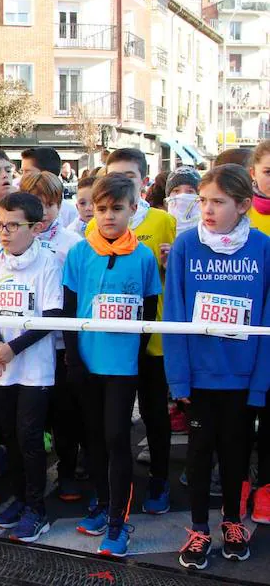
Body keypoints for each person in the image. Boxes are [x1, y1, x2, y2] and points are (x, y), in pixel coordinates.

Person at [165, 163, 270, 570]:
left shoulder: (263, 249)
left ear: (243, 205)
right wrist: (179, 378)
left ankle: (231, 522)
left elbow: (265, 320)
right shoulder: (187, 246)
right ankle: (198, 528)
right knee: (198, 454)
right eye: (203, 201)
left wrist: (260, 383)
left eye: (218, 202)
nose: (207, 209)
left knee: (235, 454)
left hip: (243, 379)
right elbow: (173, 314)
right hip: (199, 378)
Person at [62, 172, 162, 557]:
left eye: (117, 209)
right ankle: (102, 505)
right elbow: (69, 312)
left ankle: (119, 522)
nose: (107, 216)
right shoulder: (78, 253)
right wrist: (73, 359)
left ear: (133, 210)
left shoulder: (143, 256)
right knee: (95, 440)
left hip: (122, 367)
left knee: (118, 438)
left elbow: (149, 312)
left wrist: (135, 359)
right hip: (86, 364)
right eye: (101, 209)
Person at [0, 192, 63, 541]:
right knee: (9, 435)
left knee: (29, 438)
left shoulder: (48, 263)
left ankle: (36, 508)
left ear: (36, 227)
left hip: (34, 367)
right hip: (1, 365)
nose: (5, 232)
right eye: (0, 224)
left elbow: (52, 317)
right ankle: (17, 498)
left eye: (13, 225)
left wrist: (13, 348)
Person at [104, 148, 177, 515]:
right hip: (112, 340)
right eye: (112, 176)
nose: (119, 185)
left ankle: (160, 480)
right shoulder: (95, 224)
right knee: (113, 420)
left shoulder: (164, 220)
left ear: (144, 182)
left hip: (153, 337)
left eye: (128, 178)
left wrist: (172, 260)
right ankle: (112, 489)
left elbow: (178, 270)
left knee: (153, 413)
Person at [19, 171, 84, 502]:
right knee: (30, 416)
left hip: (60, 342)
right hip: (25, 342)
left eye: (49, 205)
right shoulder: (14, 240)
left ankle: (68, 471)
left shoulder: (72, 243)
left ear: (60, 205)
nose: (42, 213)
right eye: (35, 205)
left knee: (64, 413)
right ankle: (27, 478)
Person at [247, 141, 270, 524]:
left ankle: (265, 486)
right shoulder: (236, 214)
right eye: (269, 172)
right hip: (239, 337)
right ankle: (239, 482)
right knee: (238, 416)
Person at [21, 147, 78, 228]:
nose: (22, 177)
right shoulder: (18, 209)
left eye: (27, 172)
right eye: (22, 172)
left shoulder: (70, 214)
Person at [165, 167, 202, 235]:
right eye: (176, 191)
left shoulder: (207, 229)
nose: (182, 195)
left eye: (190, 191)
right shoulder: (161, 226)